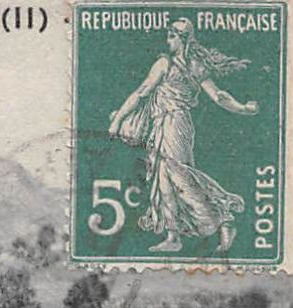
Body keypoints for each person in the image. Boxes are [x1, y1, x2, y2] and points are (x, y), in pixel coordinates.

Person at [108, 18, 259, 253]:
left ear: (182, 38)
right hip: (164, 124)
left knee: (178, 175)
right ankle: (173, 236)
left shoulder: (166, 64)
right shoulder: (192, 65)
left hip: (174, 124)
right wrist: (242, 108)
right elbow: (218, 95)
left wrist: (117, 121)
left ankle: (223, 219)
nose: (168, 40)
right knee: (163, 178)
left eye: (171, 36)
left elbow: (141, 93)